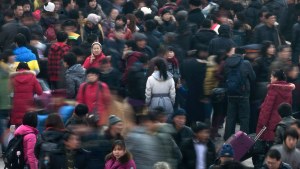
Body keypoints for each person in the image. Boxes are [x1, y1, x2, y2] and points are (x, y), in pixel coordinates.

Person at [223, 47, 256, 140]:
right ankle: (243, 138)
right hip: (243, 94)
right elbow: (253, 77)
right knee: (244, 117)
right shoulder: (246, 63)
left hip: (230, 93)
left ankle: (228, 138)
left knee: (230, 117)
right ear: (243, 54)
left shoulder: (227, 62)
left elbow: (224, 76)